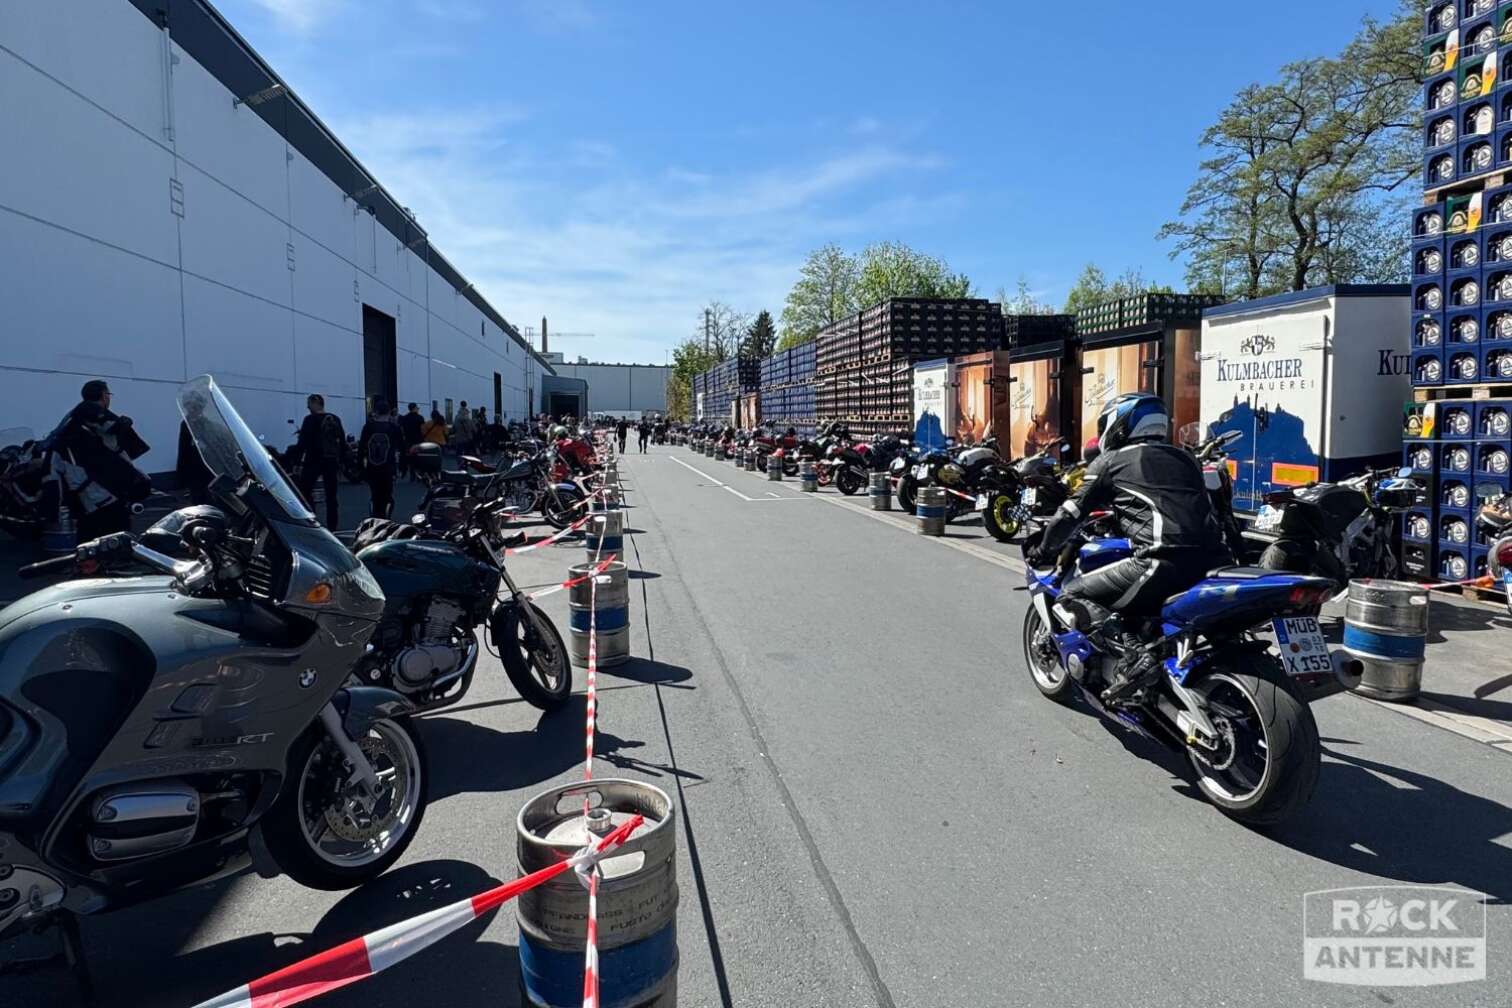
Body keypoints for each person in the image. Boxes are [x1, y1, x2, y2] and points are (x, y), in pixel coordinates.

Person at [1027, 392, 1230, 705]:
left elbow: (1069, 514)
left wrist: (1043, 549)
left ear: (1118, 424)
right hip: (1216, 562)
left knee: (1071, 595)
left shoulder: (1111, 461)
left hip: (1161, 562)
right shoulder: (1187, 459)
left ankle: (1135, 657)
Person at [52, 379, 152, 539]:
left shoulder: (73, 418)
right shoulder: (92, 412)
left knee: (90, 532)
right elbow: (112, 433)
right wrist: (124, 424)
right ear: (104, 396)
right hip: (101, 487)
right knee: (115, 531)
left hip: (84, 487)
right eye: (108, 394)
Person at [294, 393, 345, 529]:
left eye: (309, 404)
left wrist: (297, 462)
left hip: (313, 460)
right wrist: (342, 460)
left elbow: (302, 443)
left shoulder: (309, 420)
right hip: (331, 460)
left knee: (305, 491)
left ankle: (311, 520)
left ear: (315, 403)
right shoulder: (335, 419)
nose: (307, 407)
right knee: (331, 495)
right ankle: (333, 526)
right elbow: (342, 441)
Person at [359, 398, 405, 519]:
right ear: (389, 412)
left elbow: (361, 448)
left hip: (372, 467)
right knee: (387, 495)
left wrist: (360, 467)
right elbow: (402, 448)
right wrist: (403, 466)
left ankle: (375, 517)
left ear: (376, 412)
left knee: (375, 495)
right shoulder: (394, 428)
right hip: (388, 468)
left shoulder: (368, 427)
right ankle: (386, 518)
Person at [399, 403, 425, 479]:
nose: (418, 409)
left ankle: (411, 474)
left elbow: (402, 429)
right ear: (414, 408)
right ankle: (418, 474)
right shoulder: (420, 418)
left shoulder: (405, 418)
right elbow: (422, 430)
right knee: (418, 457)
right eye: (417, 408)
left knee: (410, 457)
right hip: (418, 440)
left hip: (408, 440)